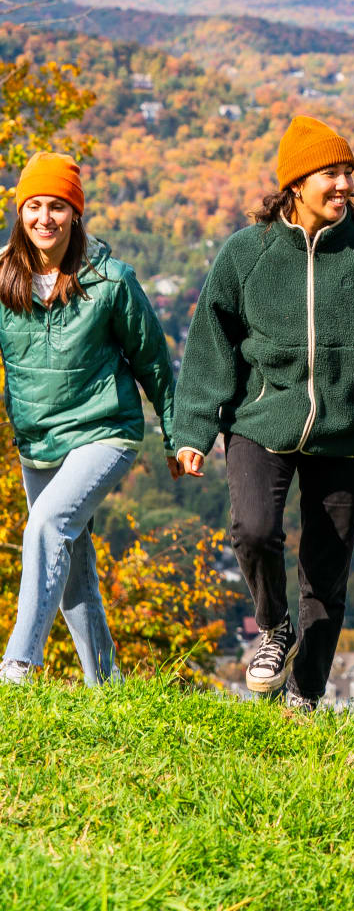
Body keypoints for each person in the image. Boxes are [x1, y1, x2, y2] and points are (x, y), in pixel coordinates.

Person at [173, 115, 354, 709]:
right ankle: (272, 626)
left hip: (347, 432)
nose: (344, 184)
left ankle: (305, 695)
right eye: (330, 173)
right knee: (254, 530)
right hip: (261, 420)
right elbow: (211, 348)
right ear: (295, 183)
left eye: (348, 172)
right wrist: (193, 429)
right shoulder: (248, 254)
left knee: (326, 572)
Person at [0, 152, 179, 686]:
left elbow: (152, 361)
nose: (44, 218)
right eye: (34, 206)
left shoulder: (111, 280)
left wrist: (179, 435)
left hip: (105, 430)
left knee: (47, 525)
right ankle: (108, 685)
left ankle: (19, 663)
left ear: (76, 214)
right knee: (72, 570)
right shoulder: (2, 278)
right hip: (38, 439)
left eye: (57, 206)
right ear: (20, 211)